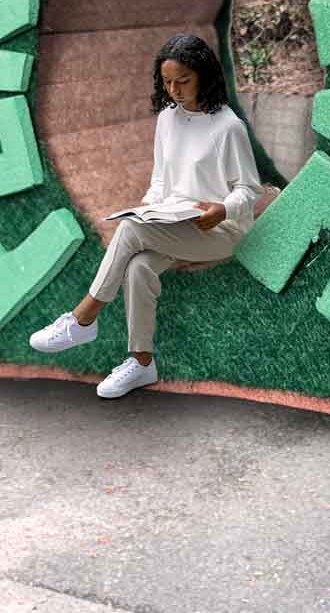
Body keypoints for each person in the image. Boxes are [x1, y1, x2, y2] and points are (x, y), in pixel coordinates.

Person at [29, 32, 262, 399]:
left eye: (183, 81)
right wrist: (151, 209)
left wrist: (223, 209)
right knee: (137, 267)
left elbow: (250, 189)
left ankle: (83, 318)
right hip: (174, 223)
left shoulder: (228, 127)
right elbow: (159, 181)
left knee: (131, 230)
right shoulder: (167, 119)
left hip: (220, 231)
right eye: (167, 82)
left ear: (204, 75)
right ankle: (141, 363)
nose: (175, 90)